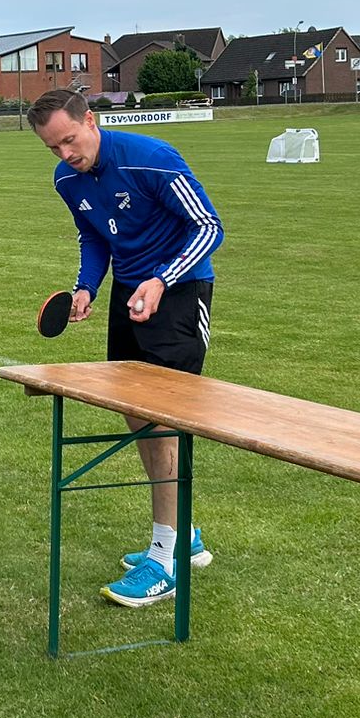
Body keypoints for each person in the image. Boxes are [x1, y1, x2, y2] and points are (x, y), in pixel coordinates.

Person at [29, 89, 225, 607]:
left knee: (163, 420)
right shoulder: (66, 179)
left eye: (70, 140)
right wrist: (86, 287)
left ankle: (165, 560)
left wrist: (162, 279)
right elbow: (95, 238)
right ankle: (182, 533)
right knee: (135, 414)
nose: (65, 154)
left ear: (90, 120)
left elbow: (209, 227)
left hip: (179, 293)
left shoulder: (153, 159)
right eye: (53, 148)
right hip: (128, 294)